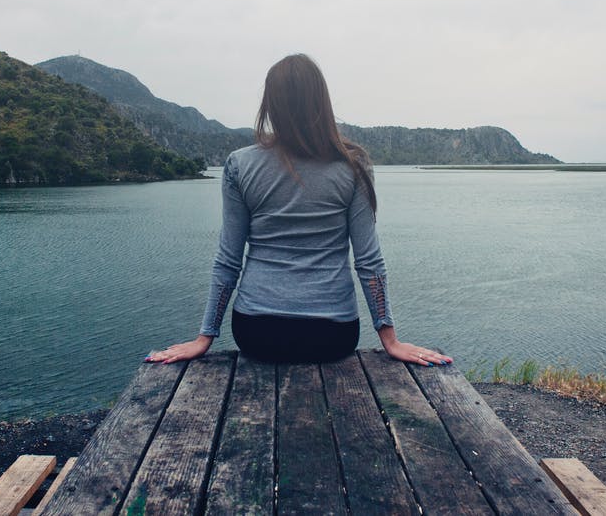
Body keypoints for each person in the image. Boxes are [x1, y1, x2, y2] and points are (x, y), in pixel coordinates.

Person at [146, 54, 452, 366]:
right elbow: (369, 261)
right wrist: (390, 339)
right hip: (334, 336)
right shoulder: (353, 166)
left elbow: (228, 260)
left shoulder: (240, 165)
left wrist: (205, 337)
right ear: (321, 101)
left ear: (270, 105)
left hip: (256, 332)